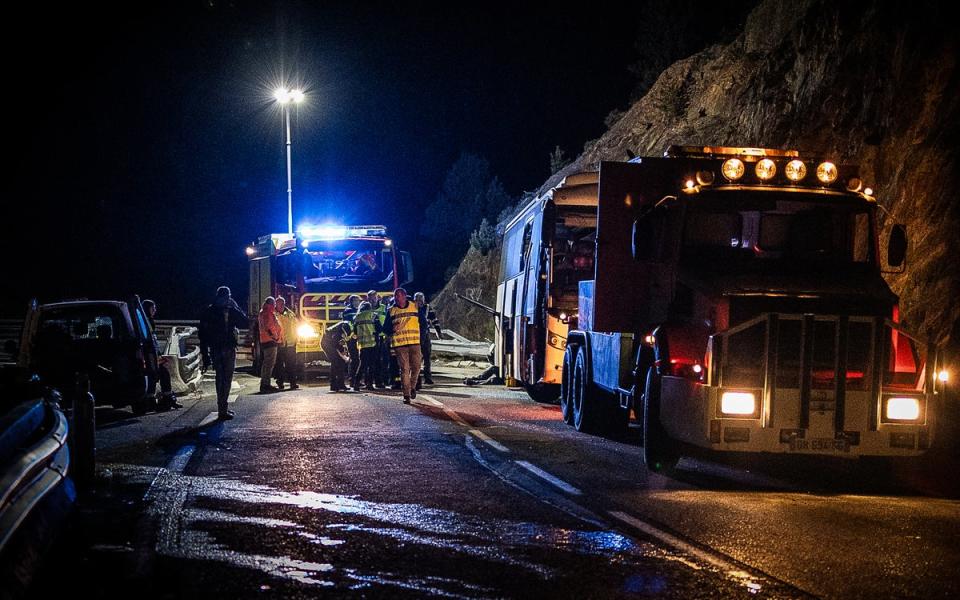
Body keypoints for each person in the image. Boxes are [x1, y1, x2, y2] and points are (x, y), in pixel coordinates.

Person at [199, 286, 248, 420]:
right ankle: (222, 409)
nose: (228, 300)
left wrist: (205, 354)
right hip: (222, 348)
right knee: (224, 379)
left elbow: (244, 322)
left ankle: (223, 408)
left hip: (222, 348)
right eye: (227, 297)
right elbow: (245, 322)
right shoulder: (219, 311)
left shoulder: (214, 311)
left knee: (223, 379)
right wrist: (205, 354)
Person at [383, 288, 421, 404]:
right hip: (400, 345)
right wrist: (391, 329)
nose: (397, 298)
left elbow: (423, 323)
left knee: (417, 367)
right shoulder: (391, 310)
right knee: (404, 369)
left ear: (405, 296)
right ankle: (406, 395)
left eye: (399, 296)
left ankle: (412, 387)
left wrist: (423, 340)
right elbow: (385, 328)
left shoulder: (414, 306)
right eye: (395, 296)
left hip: (415, 343)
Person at [142, 299, 181, 410]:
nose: (155, 310)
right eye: (152, 308)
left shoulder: (146, 321)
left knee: (157, 375)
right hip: (148, 356)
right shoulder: (146, 322)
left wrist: (158, 355)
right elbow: (149, 342)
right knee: (157, 375)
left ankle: (157, 399)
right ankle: (163, 399)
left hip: (151, 355)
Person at [413, 292, 442, 386]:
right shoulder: (411, 308)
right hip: (415, 335)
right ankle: (417, 378)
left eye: (421, 299)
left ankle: (427, 377)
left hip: (425, 335)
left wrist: (438, 332)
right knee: (416, 358)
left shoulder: (427, 308)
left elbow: (434, 320)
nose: (419, 301)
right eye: (417, 299)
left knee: (427, 357)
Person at [273, 296, 300, 391]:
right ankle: (280, 382)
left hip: (290, 343)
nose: (281, 305)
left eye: (282, 304)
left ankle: (293, 383)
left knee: (291, 364)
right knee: (279, 365)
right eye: (279, 304)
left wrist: (296, 338)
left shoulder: (290, 314)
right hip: (279, 343)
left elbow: (296, 326)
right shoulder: (273, 314)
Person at [257, 297, 283, 393]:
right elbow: (268, 327)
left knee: (267, 363)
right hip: (270, 341)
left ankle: (265, 383)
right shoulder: (268, 313)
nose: (275, 306)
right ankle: (265, 384)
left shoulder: (264, 312)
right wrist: (274, 337)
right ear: (272, 304)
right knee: (269, 363)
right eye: (274, 304)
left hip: (266, 340)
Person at [352, 301, 380, 390]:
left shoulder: (357, 317)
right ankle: (369, 384)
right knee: (371, 365)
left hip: (362, 344)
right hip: (372, 343)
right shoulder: (373, 315)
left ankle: (356, 383)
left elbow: (355, 331)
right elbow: (379, 328)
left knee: (362, 365)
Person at [366, 290, 389, 388]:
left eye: (374, 298)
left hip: (382, 337)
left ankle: (380, 381)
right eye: (371, 298)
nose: (373, 300)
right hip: (370, 337)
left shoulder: (384, 308)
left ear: (378, 298)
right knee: (370, 361)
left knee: (382, 361)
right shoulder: (365, 308)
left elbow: (388, 321)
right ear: (368, 299)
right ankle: (369, 382)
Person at [321, 321, 352, 392]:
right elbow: (336, 346)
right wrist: (343, 356)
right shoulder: (338, 332)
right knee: (336, 362)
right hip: (327, 344)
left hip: (330, 343)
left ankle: (339, 385)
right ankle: (335, 385)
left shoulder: (343, 327)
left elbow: (342, 343)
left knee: (339, 363)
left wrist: (345, 354)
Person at [342, 295, 362, 388]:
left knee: (358, 359)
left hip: (358, 337)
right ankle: (352, 380)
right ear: (351, 302)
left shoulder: (358, 310)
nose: (357, 303)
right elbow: (348, 325)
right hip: (351, 338)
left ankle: (356, 379)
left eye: (358, 301)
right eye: (355, 301)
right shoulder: (348, 311)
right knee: (354, 359)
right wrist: (352, 335)